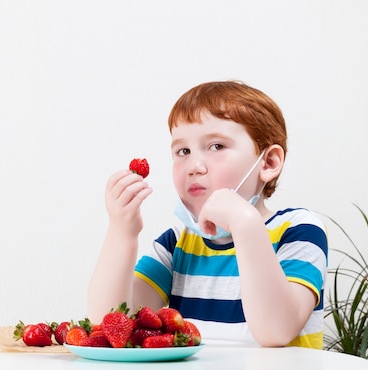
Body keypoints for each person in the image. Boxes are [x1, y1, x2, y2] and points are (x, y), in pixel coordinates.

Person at [87, 81, 328, 349]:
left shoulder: (300, 230)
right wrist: (122, 233)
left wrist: (244, 223)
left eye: (216, 146)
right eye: (183, 151)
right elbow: (110, 325)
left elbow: (275, 331)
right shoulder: (178, 243)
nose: (194, 166)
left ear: (268, 162)